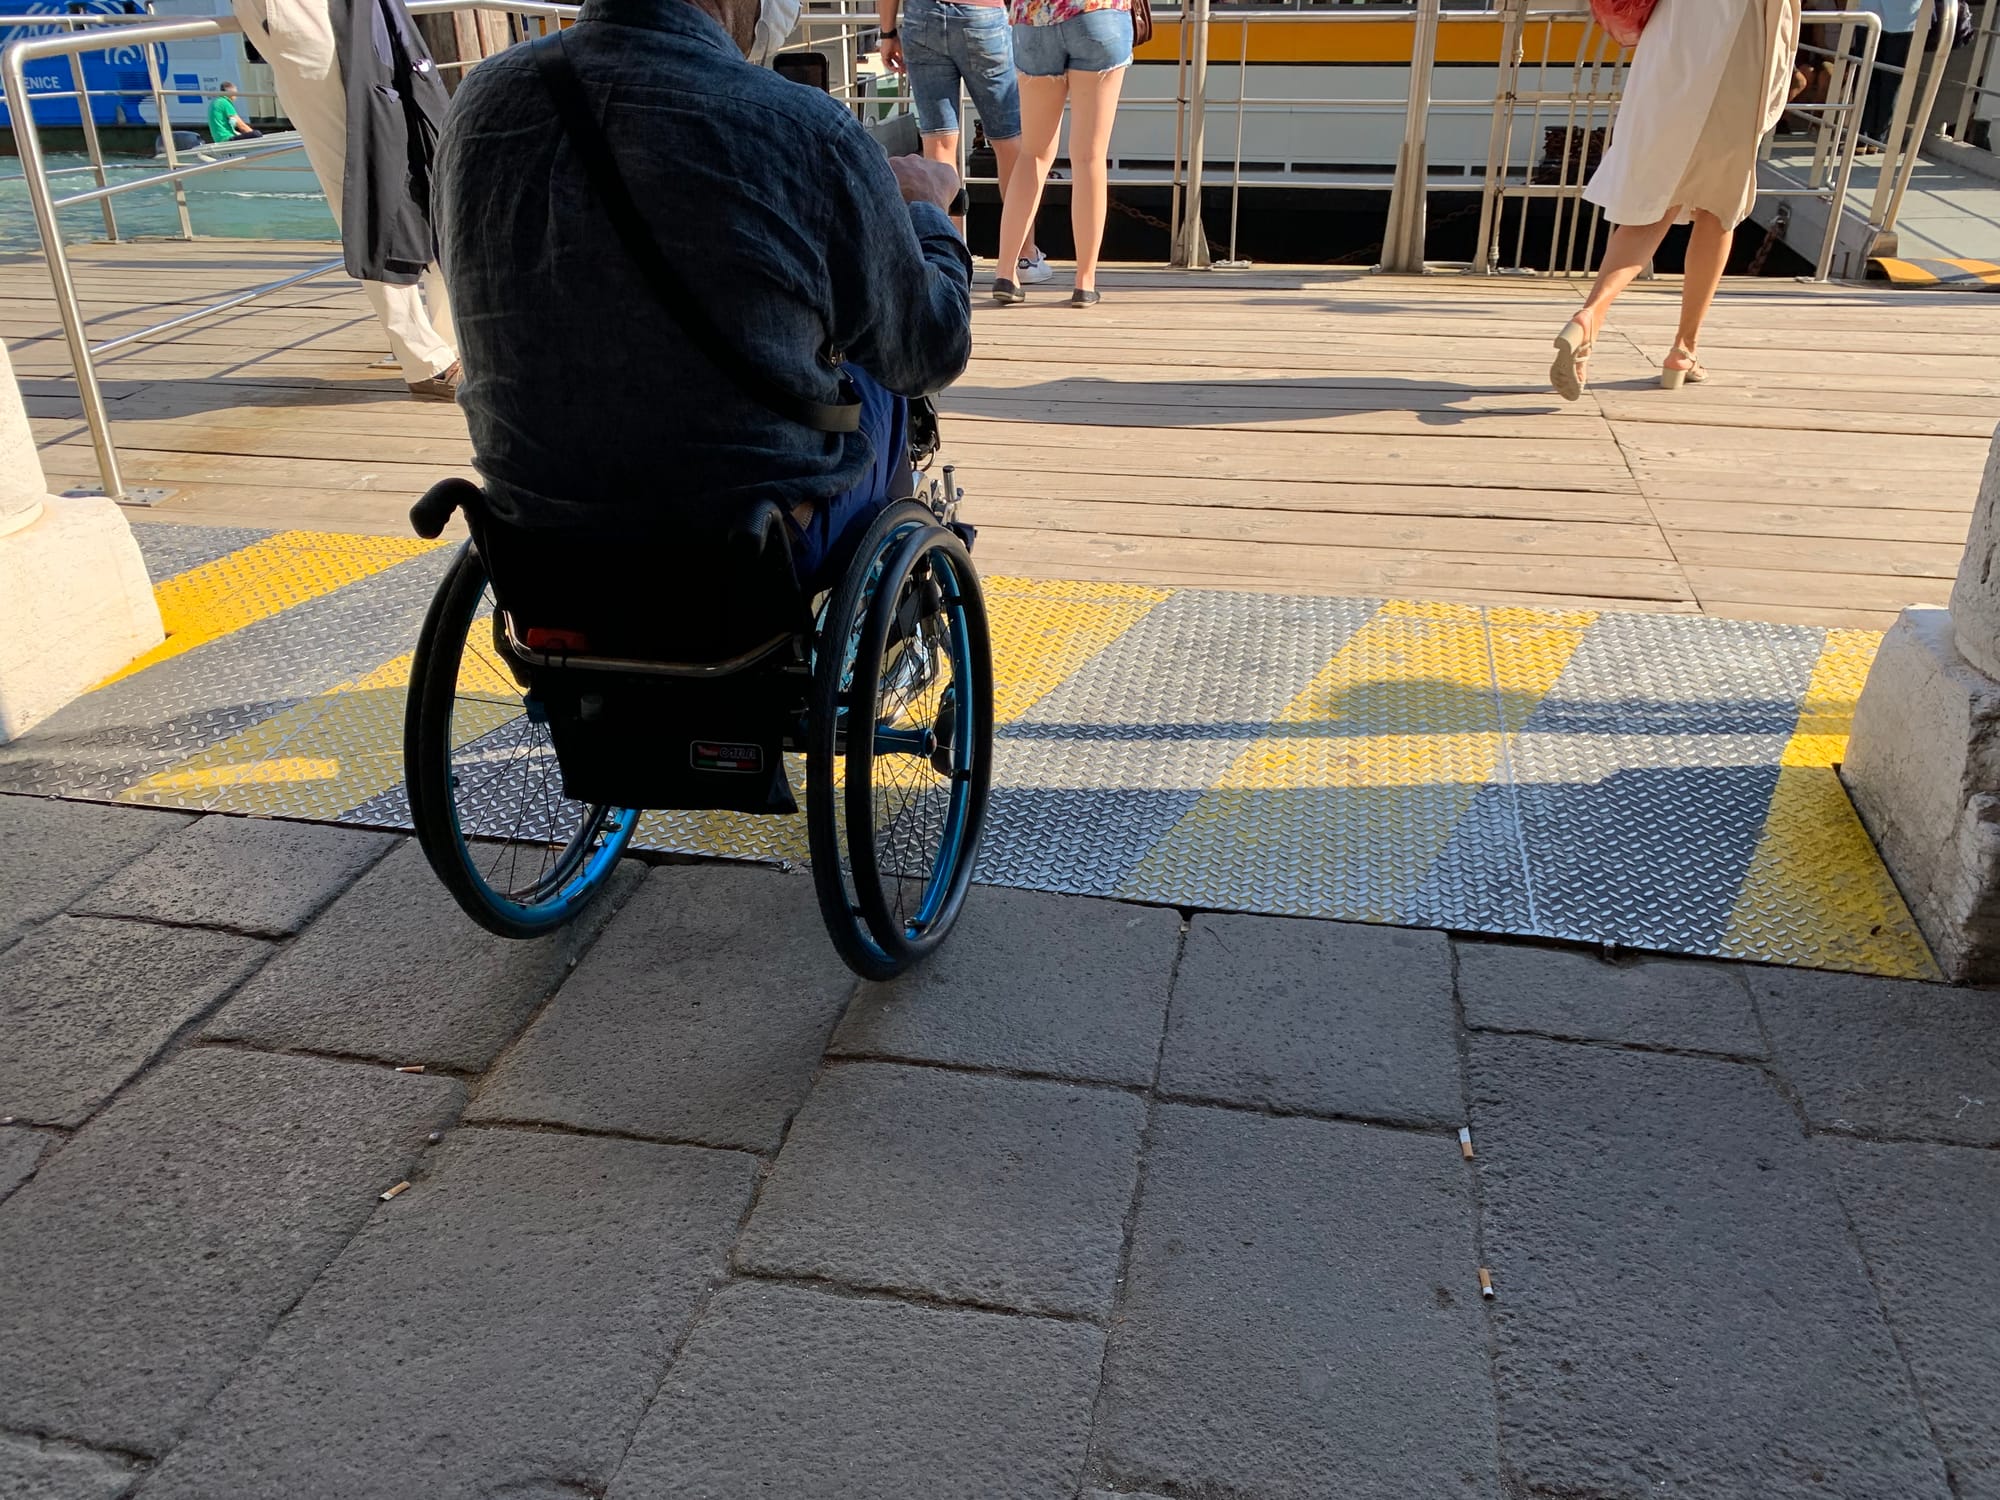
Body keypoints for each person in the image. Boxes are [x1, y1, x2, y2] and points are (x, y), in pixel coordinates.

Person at [434, 0, 973, 591]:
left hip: (535, 550)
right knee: (887, 377)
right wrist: (926, 214)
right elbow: (930, 351)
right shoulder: (806, 128)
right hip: (741, 557)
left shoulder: (478, 102)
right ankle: (884, 601)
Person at [1549, 0, 1802, 397]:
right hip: (1739, 54)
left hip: (1669, 52)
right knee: (1719, 212)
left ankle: (1589, 316)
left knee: (1650, 210)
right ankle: (1683, 351)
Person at [229, 0, 461, 401]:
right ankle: (425, 358)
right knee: (362, 174)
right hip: (308, 13)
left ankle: (451, 341)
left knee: (425, 157)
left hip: (364, 10)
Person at [878, 0, 1049, 281]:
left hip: (923, 17)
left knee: (939, 146)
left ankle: (951, 258)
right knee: (1009, 143)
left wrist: (887, 33)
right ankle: (1025, 257)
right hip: (983, 15)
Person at [990, 0, 1134, 307]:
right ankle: (1084, 282)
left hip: (1033, 20)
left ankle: (1006, 273)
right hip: (1098, 14)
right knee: (1089, 156)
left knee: (1033, 154)